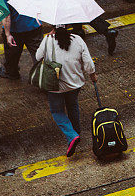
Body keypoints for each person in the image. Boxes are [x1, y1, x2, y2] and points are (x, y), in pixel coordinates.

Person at [37, 25, 96, 157]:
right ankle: (76, 132)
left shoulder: (48, 40)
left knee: (57, 111)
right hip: (75, 83)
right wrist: (92, 74)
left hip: (54, 86)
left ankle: (72, 135)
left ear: (53, 27)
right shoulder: (78, 39)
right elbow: (88, 63)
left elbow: (37, 57)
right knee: (72, 105)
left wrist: (48, 38)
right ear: (68, 26)